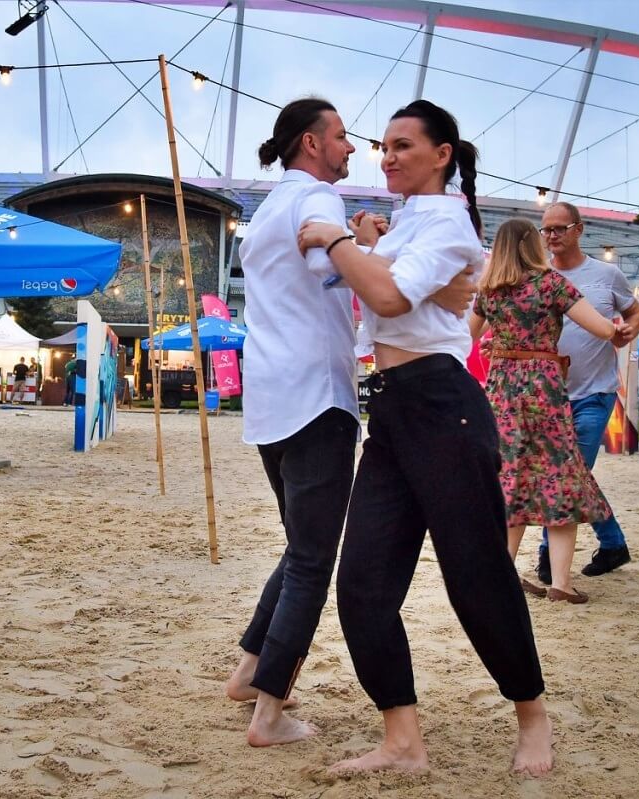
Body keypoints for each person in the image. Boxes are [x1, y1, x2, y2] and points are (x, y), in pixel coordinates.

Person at [297, 99, 553, 776]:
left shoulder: (447, 223)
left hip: (444, 407)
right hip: (391, 410)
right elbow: (394, 290)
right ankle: (403, 742)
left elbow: (385, 299)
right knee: (362, 585)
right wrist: (370, 242)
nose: (387, 156)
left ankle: (532, 714)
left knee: (476, 574)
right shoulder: (413, 224)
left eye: (404, 145)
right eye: (383, 145)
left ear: (443, 154)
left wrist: (335, 237)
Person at [222, 97, 477, 749]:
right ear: (311, 143)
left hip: (271, 400)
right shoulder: (317, 201)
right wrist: (375, 252)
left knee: (299, 545)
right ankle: (270, 713)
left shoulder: (268, 207)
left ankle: (250, 669)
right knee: (313, 557)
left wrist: (376, 251)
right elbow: (330, 268)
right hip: (317, 396)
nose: (352, 148)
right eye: (341, 138)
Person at [468, 218, 620, 603]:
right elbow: (602, 330)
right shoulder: (551, 284)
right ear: (530, 245)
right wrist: (619, 325)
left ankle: (502, 574)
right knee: (559, 477)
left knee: (511, 476)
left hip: (502, 389)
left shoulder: (489, 291)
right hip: (543, 389)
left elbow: (464, 335)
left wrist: (498, 343)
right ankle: (561, 584)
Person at [535, 201, 639, 584]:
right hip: (548, 396)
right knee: (568, 475)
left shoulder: (606, 274)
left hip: (595, 392)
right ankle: (613, 544)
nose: (551, 236)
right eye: (546, 230)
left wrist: (631, 329)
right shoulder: (538, 275)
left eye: (559, 229)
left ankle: (549, 554)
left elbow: (635, 311)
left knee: (569, 473)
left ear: (579, 230)